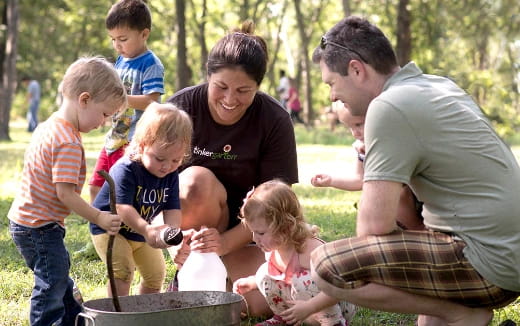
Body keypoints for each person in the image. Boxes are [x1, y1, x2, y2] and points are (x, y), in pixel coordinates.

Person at [310, 16, 520, 326]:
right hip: (505, 252)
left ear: (356, 69)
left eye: (331, 83)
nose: (331, 95)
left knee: (326, 266)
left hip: (488, 262)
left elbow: (371, 229)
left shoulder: (388, 106)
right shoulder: (437, 85)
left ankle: (461, 313)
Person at [165, 20, 298, 317]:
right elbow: (152, 183)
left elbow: (277, 203)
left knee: (263, 303)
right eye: (221, 87)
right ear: (207, 76)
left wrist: (224, 242)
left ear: (258, 87)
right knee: (196, 181)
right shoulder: (180, 109)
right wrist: (173, 241)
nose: (229, 99)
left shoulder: (274, 119)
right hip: (191, 226)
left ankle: (211, 282)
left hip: (249, 234)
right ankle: (189, 271)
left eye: (243, 91)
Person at [8, 56, 126, 326]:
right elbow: (66, 193)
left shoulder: (49, 126)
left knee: (57, 275)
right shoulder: (68, 142)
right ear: (84, 100)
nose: (104, 122)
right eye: (105, 114)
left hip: (25, 221)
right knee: (51, 284)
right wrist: (98, 216)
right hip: (40, 226)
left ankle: (75, 319)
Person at [90, 102, 192, 297]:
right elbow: (122, 207)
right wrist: (147, 230)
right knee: (123, 271)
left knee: (155, 275)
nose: (166, 167)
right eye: (160, 158)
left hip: (141, 232)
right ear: (142, 145)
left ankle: (143, 313)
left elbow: (172, 209)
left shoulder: (170, 174)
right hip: (110, 229)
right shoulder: (126, 169)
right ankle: (118, 317)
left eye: (175, 160)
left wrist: (172, 234)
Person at [233, 180, 357, 326]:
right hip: (303, 308)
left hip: (335, 302)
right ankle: (284, 317)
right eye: (253, 232)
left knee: (302, 279)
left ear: (286, 227)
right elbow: (280, 275)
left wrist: (309, 307)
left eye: (260, 232)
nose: (255, 239)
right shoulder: (274, 250)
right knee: (264, 273)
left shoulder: (309, 251)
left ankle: (334, 323)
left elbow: (340, 288)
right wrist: (251, 282)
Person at [89, 0, 165, 203]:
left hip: (134, 142)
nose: (117, 45)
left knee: (124, 191)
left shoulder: (151, 64)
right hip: (114, 137)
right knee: (96, 186)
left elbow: (152, 102)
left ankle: (123, 228)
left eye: (122, 39)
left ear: (144, 34)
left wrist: (120, 99)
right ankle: (100, 229)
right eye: (113, 39)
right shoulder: (121, 61)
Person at [311, 103, 424, 231]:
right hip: (395, 208)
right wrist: (331, 180)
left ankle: (417, 232)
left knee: (398, 191)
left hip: (416, 199)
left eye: (359, 124)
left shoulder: (393, 140)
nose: (354, 133)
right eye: (349, 127)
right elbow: (360, 179)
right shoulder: (361, 147)